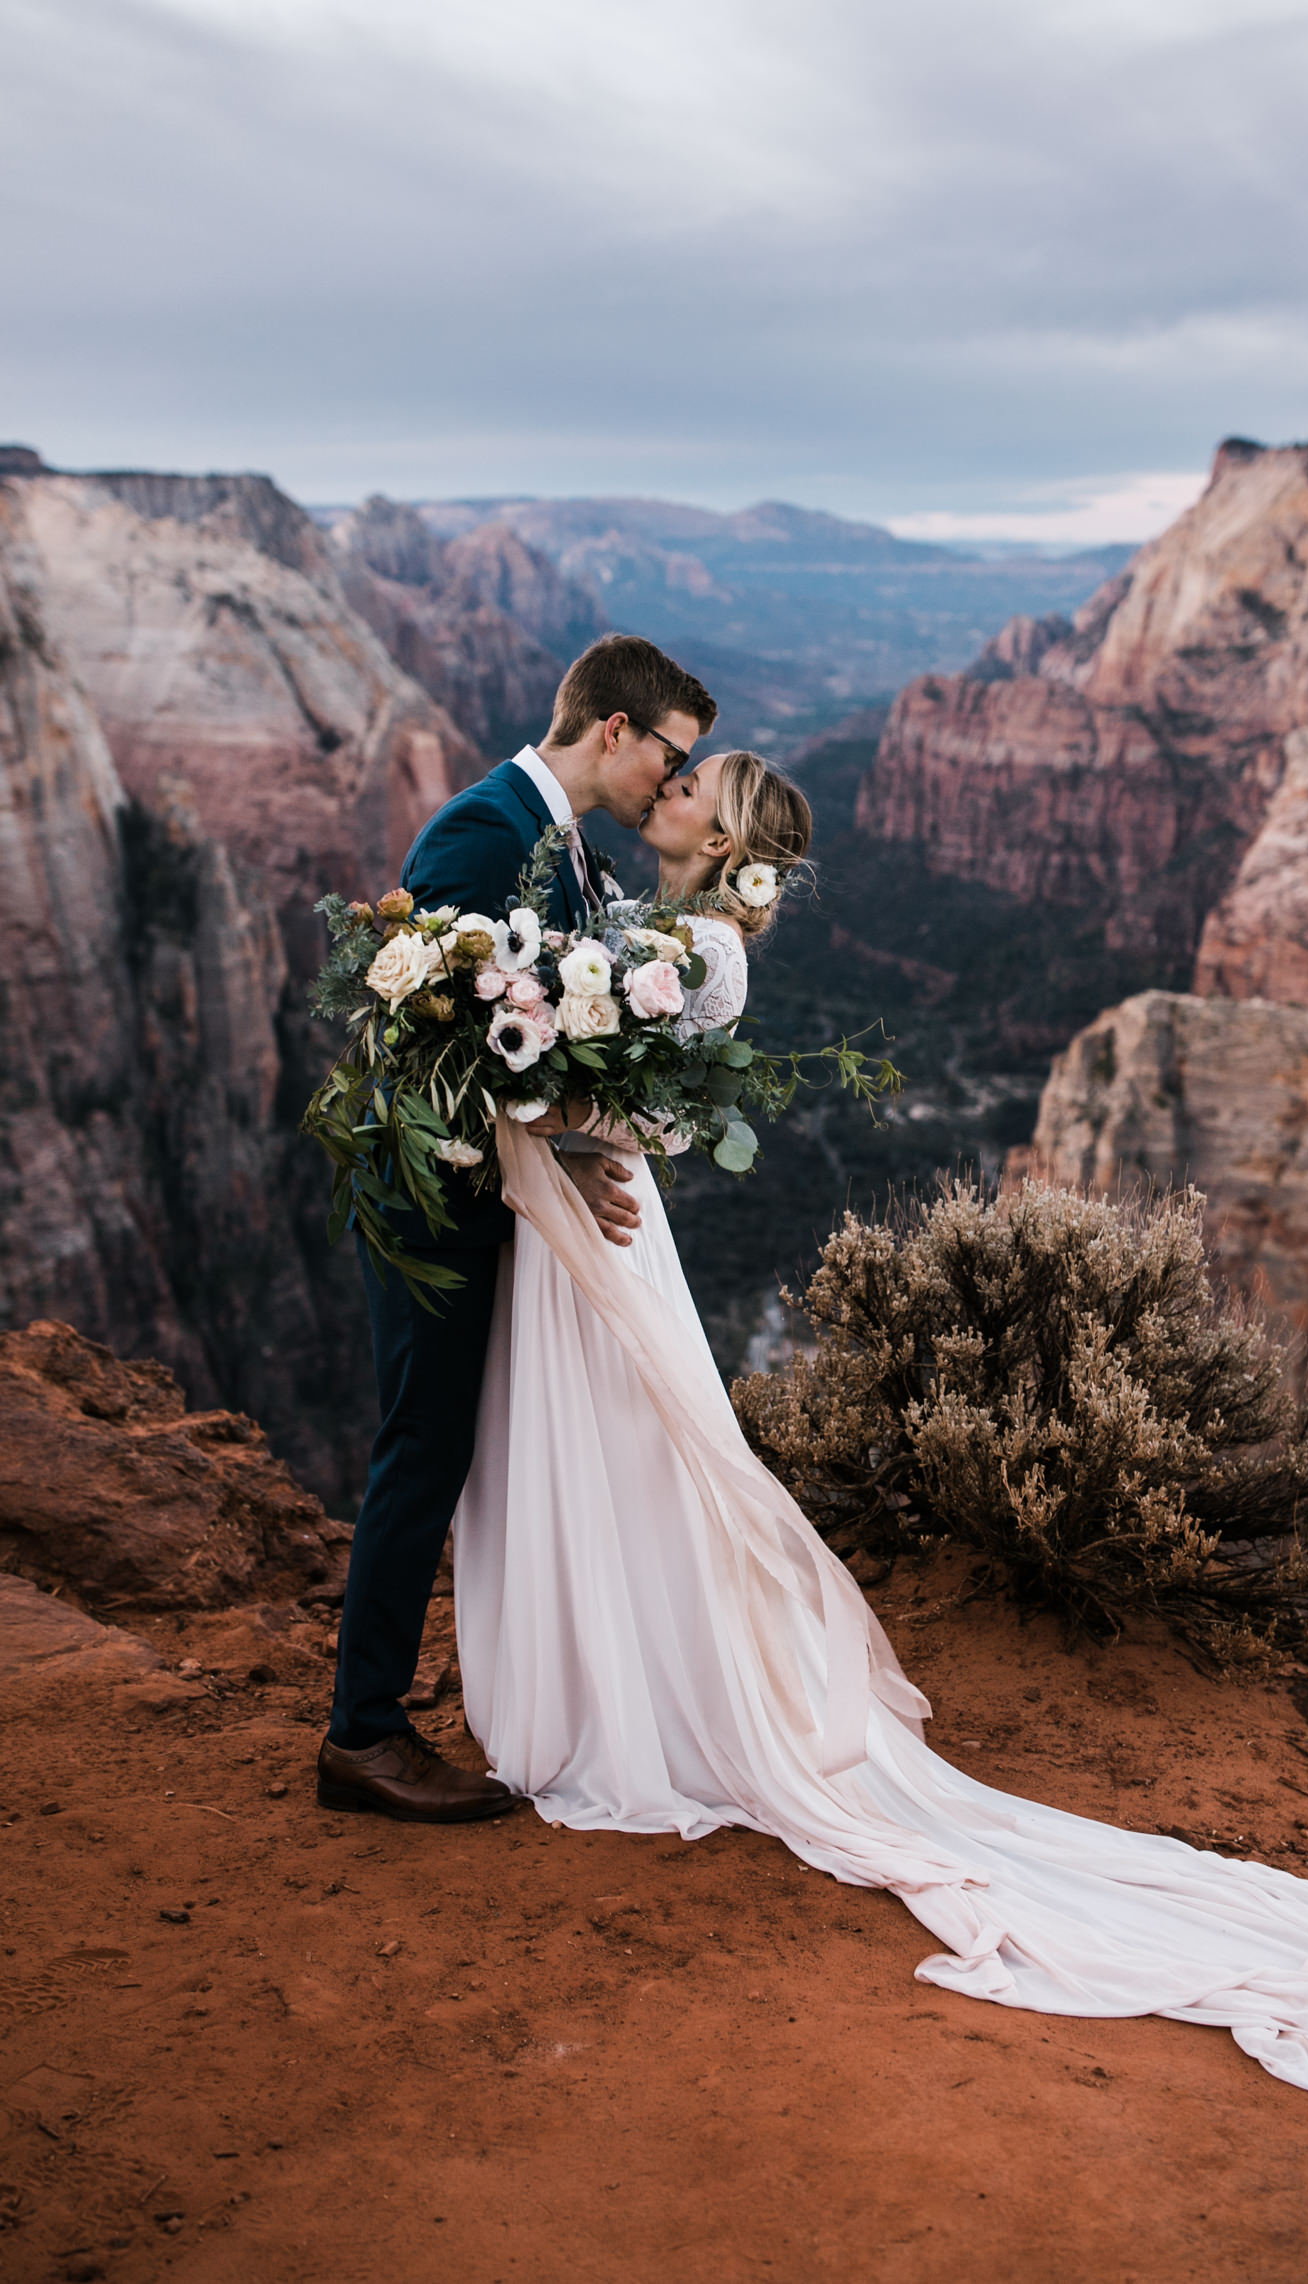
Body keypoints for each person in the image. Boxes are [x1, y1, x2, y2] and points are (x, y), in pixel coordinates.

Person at [453, 746, 1308, 2113]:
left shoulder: (700, 948)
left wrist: (580, 1120)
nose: (664, 790)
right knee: (632, 1447)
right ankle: (622, 1661)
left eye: (689, 787)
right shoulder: (654, 923)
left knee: (642, 1449)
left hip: (607, 1214)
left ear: (720, 837)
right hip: (597, 1215)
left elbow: (657, 1096)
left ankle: (642, 1683)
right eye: (667, 775)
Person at [317, 635, 717, 1823]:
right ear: (615, 731)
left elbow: (533, 1040)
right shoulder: (481, 832)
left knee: (482, 1453)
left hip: (501, 1205)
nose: (672, 780)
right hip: (435, 1208)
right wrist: (558, 1142)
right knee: (423, 1450)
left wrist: (575, 1145)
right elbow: (431, 1042)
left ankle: (534, 1690)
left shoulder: (564, 845)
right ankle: (364, 1735)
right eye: (671, 755)